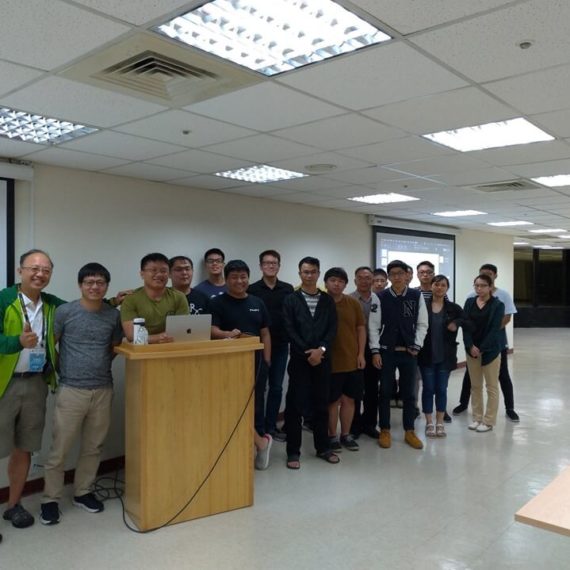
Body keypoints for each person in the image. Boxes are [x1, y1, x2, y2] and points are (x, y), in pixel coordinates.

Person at [40, 263, 123, 525]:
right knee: (60, 449)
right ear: (80, 285)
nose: (94, 287)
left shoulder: (113, 315)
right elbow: (50, 345)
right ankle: (50, 499)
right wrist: (61, 370)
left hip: (103, 388)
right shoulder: (65, 311)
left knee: (93, 446)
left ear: (106, 286)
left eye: (100, 282)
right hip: (71, 390)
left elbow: (114, 347)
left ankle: (82, 492)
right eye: (89, 282)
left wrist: (97, 365)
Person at [0, 249, 65, 529]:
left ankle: (13, 505)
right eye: (33, 268)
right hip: (4, 385)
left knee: (24, 447)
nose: (40, 274)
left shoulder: (51, 303)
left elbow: (83, 308)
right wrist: (17, 342)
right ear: (20, 271)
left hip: (36, 383)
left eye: (46, 270)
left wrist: (113, 301)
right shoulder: (3, 299)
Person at [209, 259, 273, 470]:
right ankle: (249, 445)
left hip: (256, 362)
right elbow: (212, 330)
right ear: (226, 279)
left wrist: (267, 359)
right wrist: (227, 334)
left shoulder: (257, 302)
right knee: (232, 405)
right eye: (234, 277)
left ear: (248, 278)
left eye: (243, 277)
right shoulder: (217, 302)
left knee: (257, 404)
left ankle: (259, 446)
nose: (239, 281)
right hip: (227, 364)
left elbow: (265, 332)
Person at [282, 257, 338, 469]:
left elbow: (332, 329)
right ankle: (293, 451)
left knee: (321, 405)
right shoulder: (291, 299)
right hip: (300, 360)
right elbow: (289, 329)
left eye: (313, 271)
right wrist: (309, 352)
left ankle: (323, 447)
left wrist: (320, 350)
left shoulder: (327, 300)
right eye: (305, 272)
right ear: (300, 274)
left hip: (322, 360)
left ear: (318, 274)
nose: (309, 275)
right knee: (295, 406)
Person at [371, 259, 428, 450]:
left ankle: (409, 431)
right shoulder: (380, 296)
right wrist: (375, 351)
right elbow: (373, 326)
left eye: (400, 273)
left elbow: (422, 323)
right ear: (389, 277)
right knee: (385, 392)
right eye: (393, 274)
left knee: (409, 394)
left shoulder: (415, 296)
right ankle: (385, 429)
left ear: (407, 275)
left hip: (409, 353)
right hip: (386, 352)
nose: (397, 277)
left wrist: (417, 345)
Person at [453, 264, 520, 422]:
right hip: (473, 345)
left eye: (488, 274)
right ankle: (464, 404)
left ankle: (510, 408)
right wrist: (471, 344)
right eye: (481, 275)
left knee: (502, 375)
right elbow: (466, 321)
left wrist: (489, 336)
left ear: (494, 276)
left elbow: (506, 317)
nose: (480, 287)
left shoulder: (502, 296)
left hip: (496, 342)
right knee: (471, 377)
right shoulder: (471, 297)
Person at [247, 250, 294, 438]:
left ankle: (271, 426)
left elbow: (292, 316)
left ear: (279, 266)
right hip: (258, 346)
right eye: (266, 263)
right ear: (260, 266)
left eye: (274, 263)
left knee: (276, 387)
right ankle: (258, 428)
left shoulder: (287, 289)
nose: (270, 266)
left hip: (281, 345)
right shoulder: (252, 289)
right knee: (259, 388)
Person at [418, 275, 469, 438]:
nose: (439, 287)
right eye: (436, 284)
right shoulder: (422, 306)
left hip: (445, 356)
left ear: (447, 288)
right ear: (431, 286)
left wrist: (457, 323)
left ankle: (439, 422)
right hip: (426, 355)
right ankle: (429, 422)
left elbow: (466, 320)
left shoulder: (453, 308)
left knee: (441, 389)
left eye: (443, 285)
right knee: (428, 389)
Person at [325, 267, 366, 452]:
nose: (337, 284)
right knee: (332, 401)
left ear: (346, 284)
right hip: (329, 361)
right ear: (326, 283)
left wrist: (360, 354)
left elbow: (360, 328)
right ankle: (332, 435)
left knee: (349, 400)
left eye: (341, 281)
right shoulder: (322, 302)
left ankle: (346, 434)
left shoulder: (353, 303)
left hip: (351, 360)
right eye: (333, 280)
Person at [463, 273, 505, 432]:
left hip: (490, 351)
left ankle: (488, 421)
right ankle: (477, 418)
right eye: (476, 286)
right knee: (475, 386)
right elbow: (465, 325)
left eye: (483, 286)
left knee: (492, 387)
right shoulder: (469, 302)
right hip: (471, 350)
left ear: (490, 287)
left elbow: (495, 329)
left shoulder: (498, 305)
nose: (479, 289)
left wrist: (481, 348)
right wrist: (470, 346)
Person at [120, 253, 188, 343]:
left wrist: (155, 338)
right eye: (153, 270)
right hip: (142, 349)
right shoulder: (130, 299)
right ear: (142, 274)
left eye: (163, 271)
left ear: (169, 274)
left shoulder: (179, 297)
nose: (159, 274)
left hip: (172, 346)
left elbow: (182, 330)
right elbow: (131, 335)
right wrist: (158, 338)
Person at [349, 266, 381, 439]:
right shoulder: (349, 299)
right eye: (360, 277)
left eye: (368, 278)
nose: (364, 281)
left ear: (372, 280)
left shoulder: (379, 299)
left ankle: (369, 424)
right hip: (354, 350)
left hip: (374, 350)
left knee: (372, 389)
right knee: (355, 390)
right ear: (355, 280)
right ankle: (354, 426)